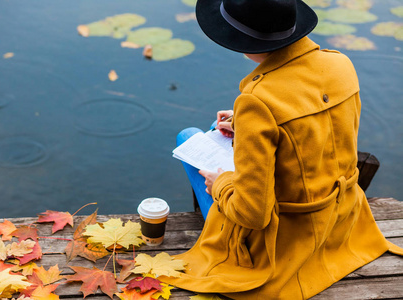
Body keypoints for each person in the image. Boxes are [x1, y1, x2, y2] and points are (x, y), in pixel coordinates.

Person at [161, 0, 403, 298]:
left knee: (189, 137)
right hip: (342, 222)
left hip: (284, 242)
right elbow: (312, 125)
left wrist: (221, 183)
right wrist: (243, 125)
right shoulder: (340, 63)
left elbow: (253, 215)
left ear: (242, 42)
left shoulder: (257, 102)